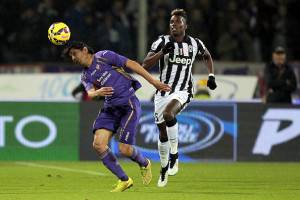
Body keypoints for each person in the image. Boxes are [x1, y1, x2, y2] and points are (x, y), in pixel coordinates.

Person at [63, 41, 171, 192]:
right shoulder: (85, 75)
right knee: (98, 145)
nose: (73, 58)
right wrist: (97, 93)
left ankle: (144, 163)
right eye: (71, 56)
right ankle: (124, 180)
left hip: (128, 105)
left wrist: (153, 81)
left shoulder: (104, 56)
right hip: (110, 108)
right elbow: (90, 92)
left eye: (74, 53)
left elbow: (131, 64)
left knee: (124, 150)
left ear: (85, 50)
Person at [142, 9, 217, 187]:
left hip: (183, 90)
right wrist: (162, 53)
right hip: (163, 91)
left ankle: (175, 156)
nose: (174, 25)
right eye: (171, 22)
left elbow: (206, 55)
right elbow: (144, 64)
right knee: (162, 132)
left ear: (185, 25)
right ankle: (163, 168)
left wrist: (211, 75)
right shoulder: (162, 41)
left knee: (169, 114)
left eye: (177, 22)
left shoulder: (195, 43)